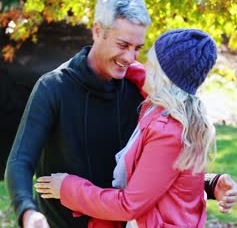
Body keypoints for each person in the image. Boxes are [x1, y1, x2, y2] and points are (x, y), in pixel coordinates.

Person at [4, 0, 237, 228]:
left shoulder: (143, 94)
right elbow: (20, 162)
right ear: (98, 31)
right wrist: (28, 212)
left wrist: (209, 184)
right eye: (123, 44)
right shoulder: (53, 88)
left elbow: (152, 171)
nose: (130, 57)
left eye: (137, 48)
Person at [36, 28, 221, 227]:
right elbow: (142, 75)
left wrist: (67, 188)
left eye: (151, 62)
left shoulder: (170, 133)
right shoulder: (162, 106)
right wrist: (107, 61)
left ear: (162, 77)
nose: (144, 64)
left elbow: (128, 205)